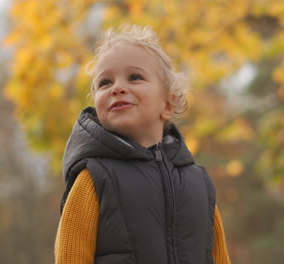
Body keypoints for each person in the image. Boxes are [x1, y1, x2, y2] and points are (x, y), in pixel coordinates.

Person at [54, 24, 231, 264]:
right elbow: (70, 257)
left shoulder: (198, 183)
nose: (117, 88)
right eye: (105, 82)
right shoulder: (93, 178)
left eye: (135, 77)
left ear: (167, 105)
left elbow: (218, 258)